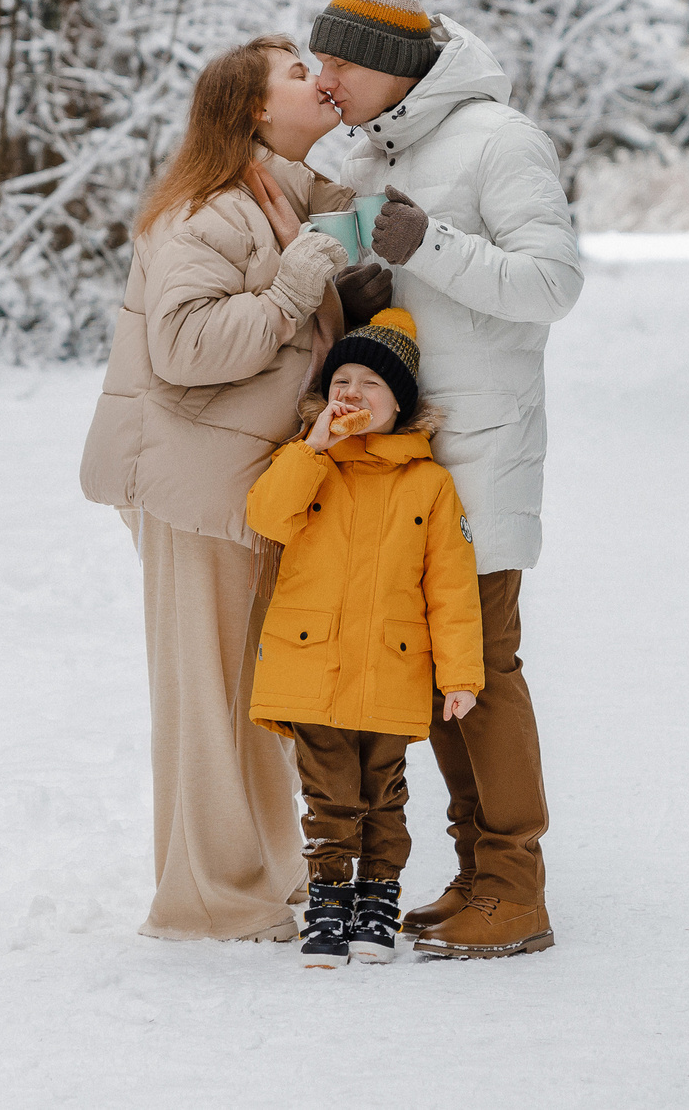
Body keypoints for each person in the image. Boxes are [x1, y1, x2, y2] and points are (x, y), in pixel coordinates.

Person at [78, 35, 387, 942]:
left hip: (253, 482)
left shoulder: (285, 196)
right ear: (252, 109)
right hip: (192, 483)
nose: (317, 80)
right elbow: (184, 348)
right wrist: (294, 291)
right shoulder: (207, 211)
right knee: (204, 694)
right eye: (297, 73)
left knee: (256, 690)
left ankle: (259, 872)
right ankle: (208, 897)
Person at [309, 0, 583, 959]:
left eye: (334, 62)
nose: (321, 80)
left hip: (480, 453)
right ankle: (480, 880)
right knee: (440, 679)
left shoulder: (495, 140)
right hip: (407, 464)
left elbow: (552, 286)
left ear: (393, 64)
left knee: (485, 669)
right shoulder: (377, 152)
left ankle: (515, 885)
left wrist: (426, 245)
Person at [245, 308, 485, 968]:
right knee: (328, 795)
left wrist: (460, 675)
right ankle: (328, 899)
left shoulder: (429, 484)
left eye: (369, 382)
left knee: (383, 792)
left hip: (390, 668)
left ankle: (377, 897)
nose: (350, 391)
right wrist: (312, 448)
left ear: (400, 402)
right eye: (340, 379)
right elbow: (266, 515)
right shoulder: (311, 464)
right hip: (311, 663)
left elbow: (451, 587)